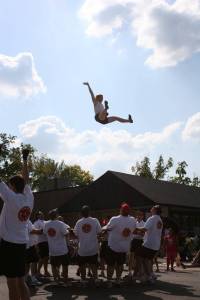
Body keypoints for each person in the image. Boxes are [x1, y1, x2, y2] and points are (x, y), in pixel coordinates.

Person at [0, 147, 33, 300]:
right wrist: (25, 159)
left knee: (12, 282)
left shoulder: (11, 198)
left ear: (12, 187)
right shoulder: (29, 197)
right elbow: (25, 178)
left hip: (9, 245)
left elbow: (23, 180)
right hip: (21, 244)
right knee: (20, 280)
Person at [104, 203, 136, 287]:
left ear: (121, 210)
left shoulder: (115, 219)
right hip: (124, 247)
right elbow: (134, 230)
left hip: (113, 246)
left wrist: (102, 229)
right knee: (120, 264)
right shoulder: (133, 220)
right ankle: (118, 280)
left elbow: (107, 228)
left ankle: (109, 281)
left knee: (110, 265)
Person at [73, 205, 101, 285]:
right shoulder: (95, 221)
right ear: (89, 212)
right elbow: (99, 232)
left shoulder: (79, 222)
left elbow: (75, 234)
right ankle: (96, 279)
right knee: (93, 265)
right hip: (93, 248)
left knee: (82, 266)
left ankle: (83, 280)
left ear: (81, 213)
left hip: (82, 249)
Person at [135, 205, 163, 283]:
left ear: (154, 210)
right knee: (148, 259)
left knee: (139, 256)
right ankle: (151, 274)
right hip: (156, 244)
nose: (151, 209)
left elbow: (144, 229)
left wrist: (134, 227)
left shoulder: (152, 218)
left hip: (149, 243)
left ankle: (147, 276)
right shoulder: (159, 219)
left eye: (152, 208)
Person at [43, 208, 71, 286]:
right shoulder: (60, 223)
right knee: (65, 265)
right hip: (62, 249)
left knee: (54, 266)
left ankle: (56, 280)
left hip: (52, 250)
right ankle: (65, 281)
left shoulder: (46, 224)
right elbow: (66, 234)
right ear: (56, 215)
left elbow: (45, 233)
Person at [128, 211, 145, 278]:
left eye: (140, 215)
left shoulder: (144, 223)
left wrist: (136, 232)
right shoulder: (134, 222)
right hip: (133, 240)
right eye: (138, 215)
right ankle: (130, 271)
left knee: (139, 257)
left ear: (142, 216)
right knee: (131, 257)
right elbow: (131, 231)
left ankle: (138, 272)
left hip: (140, 241)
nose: (138, 216)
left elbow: (143, 234)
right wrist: (138, 232)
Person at [34, 211, 50, 277]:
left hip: (47, 241)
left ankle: (45, 271)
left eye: (42, 214)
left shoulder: (45, 222)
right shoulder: (36, 223)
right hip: (41, 241)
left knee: (46, 257)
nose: (42, 215)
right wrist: (44, 231)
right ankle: (38, 271)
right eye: (40, 214)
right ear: (37, 216)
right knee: (42, 257)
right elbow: (36, 232)